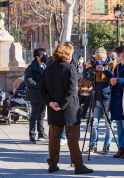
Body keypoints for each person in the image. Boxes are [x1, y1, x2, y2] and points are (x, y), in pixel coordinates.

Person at [40, 43, 93, 174]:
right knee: (73, 139)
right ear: (67, 55)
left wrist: (52, 103)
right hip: (69, 108)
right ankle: (78, 165)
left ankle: (52, 164)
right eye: (71, 53)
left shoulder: (48, 69)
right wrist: (62, 104)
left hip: (53, 108)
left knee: (54, 138)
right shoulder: (70, 68)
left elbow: (42, 90)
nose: (72, 56)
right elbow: (71, 91)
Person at [83, 47, 117, 154]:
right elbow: (87, 77)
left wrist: (104, 70)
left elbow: (113, 79)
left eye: (101, 58)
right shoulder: (93, 63)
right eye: (97, 57)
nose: (99, 60)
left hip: (107, 97)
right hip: (95, 96)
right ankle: (93, 145)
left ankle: (106, 145)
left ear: (106, 56)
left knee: (108, 124)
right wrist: (86, 68)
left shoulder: (112, 64)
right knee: (94, 123)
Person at [25, 48, 48, 144]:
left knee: (42, 115)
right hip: (35, 95)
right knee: (34, 115)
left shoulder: (46, 66)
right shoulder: (31, 67)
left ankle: (41, 133)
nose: (45, 57)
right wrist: (41, 84)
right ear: (37, 57)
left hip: (44, 95)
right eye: (43, 55)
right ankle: (32, 135)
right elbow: (28, 81)